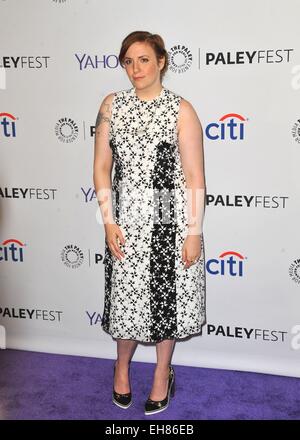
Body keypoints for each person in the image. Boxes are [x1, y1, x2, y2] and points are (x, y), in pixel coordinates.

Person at [93, 30, 206, 415]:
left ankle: (162, 374)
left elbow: (194, 178)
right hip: (124, 221)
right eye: (128, 61)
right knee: (126, 304)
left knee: (166, 305)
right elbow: (101, 168)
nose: (135, 69)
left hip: (169, 222)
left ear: (161, 62)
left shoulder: (182, 110)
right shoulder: (111, 105)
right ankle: (121, 368)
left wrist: (194, 231)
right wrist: (109, 222)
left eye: (143, 60)